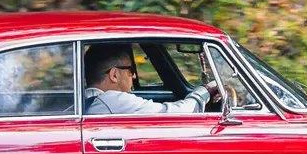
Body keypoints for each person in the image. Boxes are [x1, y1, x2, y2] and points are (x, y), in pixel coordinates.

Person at [82, 42, 221, 115]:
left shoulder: (81, 101)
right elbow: (173, 114)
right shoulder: (112, 100)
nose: (134, 75)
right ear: (114, 75)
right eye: (130, 70)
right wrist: (205, 92)